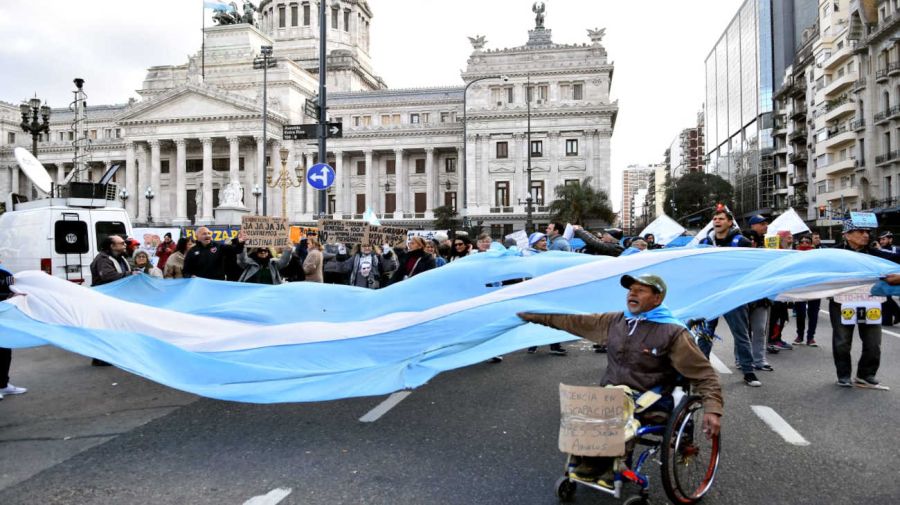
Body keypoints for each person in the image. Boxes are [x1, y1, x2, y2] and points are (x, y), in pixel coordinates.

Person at [518, 273, 722, 479]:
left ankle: (606, 465)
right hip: (613, 392)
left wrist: (713, 408)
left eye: (640, 290)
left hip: (653, 397)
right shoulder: (616, 321)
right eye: (630, 290)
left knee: (616, 403)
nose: (632, 294)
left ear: (657, 298)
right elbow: (571, 321)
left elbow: (703, 374)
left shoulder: (674, 332)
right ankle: (594, 462)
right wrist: (531, 315)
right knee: (588, 402)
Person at [829, 217, 900, 387]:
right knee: (842, 341)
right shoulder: (833, 254)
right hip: (841, 302)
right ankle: (843, 375)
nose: (866, 235)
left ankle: (866, 375)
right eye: (860, 231)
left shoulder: (876, 254)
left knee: (873, 342)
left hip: (871, 303)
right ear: (847, 234)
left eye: (867, 232)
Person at [699, 207, 762, 386]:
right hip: (711, 296)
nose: (717, 221)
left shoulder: (742, 242)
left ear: (729, 222)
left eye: (721, 218)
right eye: (715, 219)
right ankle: (700, 372)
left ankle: (748, 371)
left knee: (741, 334)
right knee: (705, 334)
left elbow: (750, 267)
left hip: (733, 295)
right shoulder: (705, 242)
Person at [0, 261, 27, 401]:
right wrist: (8, 296)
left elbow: (9, 287)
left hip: (3, 319)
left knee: (5, 352)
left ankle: (3, 385)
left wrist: (13, 294)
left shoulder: (4, 274)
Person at [792, 236, 821, 346]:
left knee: (813, 313)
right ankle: (799, 336)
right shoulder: (794, 255)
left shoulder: (818, 255)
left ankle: (811, 337)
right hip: (800, 287)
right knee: (800, 313)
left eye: (807, 241)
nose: (804, 243)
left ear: (811, 243)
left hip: (815, 287)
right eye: (802, 241)